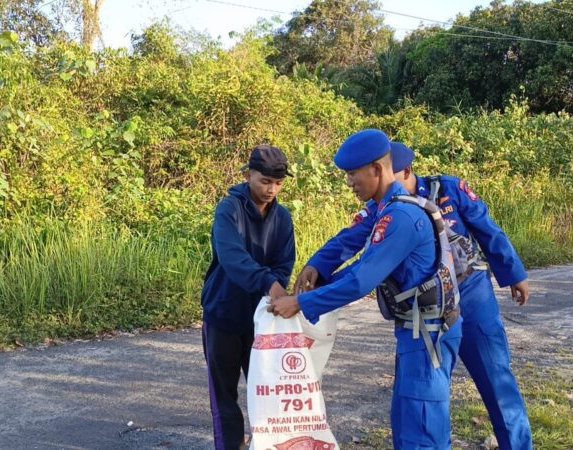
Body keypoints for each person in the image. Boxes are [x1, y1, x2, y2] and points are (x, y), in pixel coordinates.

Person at [294, 142, 533, 450]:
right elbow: (351, 239)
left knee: (496, 379)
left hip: (472, 295)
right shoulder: (383, 207)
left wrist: (514, 273)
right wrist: (318, 265)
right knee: (415, 399)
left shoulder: (447, 189)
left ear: (404, 171)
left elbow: (487, 229)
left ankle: (517, 445)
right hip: (422, 309)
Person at [268, 129, 462, 449]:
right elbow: (362, 264)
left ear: (376, 169)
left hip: (429, 334)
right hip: (417, 329)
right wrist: (321, 277)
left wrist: (301, 304)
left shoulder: (400, 215)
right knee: (406, 419)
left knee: (423, 427)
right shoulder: (387, 208)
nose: (349, 182)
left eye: (352, 174)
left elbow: (362, 281)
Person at [201, 144, 296, 450]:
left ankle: (266, 444)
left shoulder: (283, 217)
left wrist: (277, 286)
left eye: (278, 183)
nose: (271, 189)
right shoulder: (229, 209)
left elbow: (284, 263)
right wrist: (270, 283)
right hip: (223, 314)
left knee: (267, 390)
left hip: (263, 321)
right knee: (225, 395)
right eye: (265, 181)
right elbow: (233, 258)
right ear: (249, 175)